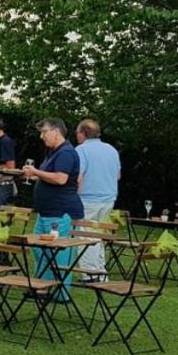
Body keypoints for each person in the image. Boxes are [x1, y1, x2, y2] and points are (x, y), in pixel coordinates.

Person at [22, 117, 85, 298]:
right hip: (46, 212)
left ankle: (59, 293)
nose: (42, 136)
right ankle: (43, 286)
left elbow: (60, 179)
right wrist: (34, 176)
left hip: (61, 212)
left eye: (44, 132)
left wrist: (35, 172)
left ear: (56, 131)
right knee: (39, 248)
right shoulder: (53, 152)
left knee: (58, 253)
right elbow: (49, 176)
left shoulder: (66, 153)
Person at [75, 118, 121, 278]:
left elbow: (78, 177)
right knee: (98, 234)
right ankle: (101, 272)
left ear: (82, 133)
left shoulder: (81, 150)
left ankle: (91, 274)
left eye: (77, 132)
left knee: (85, 235)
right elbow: (118, 175)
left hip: (88, 199)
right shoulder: (111, 150)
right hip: (109, 198)